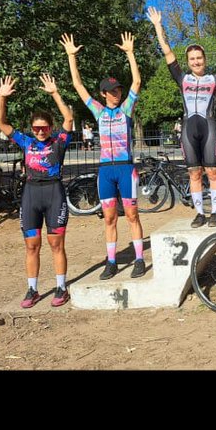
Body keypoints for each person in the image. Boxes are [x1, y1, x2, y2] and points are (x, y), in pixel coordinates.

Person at [148, 7, 216, 227]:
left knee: (213, 171)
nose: (196, 62)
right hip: (189, 129)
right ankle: (199, 213)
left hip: (209, 128)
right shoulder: (182, 79)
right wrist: (158, 26)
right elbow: (168, 52)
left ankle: (215, 212)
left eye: (199, 58)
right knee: (194, 173)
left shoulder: (214, 79)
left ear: (205, 60)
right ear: (188, 62)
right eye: (192, 59)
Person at [60, 32, 146, 280]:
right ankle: (111, 261)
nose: (116, 93)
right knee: (109, 218)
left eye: (118, 89)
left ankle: (139, 258)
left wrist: (130, 53)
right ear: (103, 94)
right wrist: (71, 57)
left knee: (132, 215)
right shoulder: (98, 112)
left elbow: (137, 82)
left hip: (125, 168)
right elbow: (78, 86)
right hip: (106, 170)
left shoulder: (126, 109)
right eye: (112, 90)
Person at [0, 73, 73, 308]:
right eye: (36, 128)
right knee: (32, 245)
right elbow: (0, 123)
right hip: (31, 195)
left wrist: (55, 93)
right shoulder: (27, 142)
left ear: (50, 128)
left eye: (44, 128)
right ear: (31, 129)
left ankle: (61, 287)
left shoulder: (58, 142)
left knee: (56, 244)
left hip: (54, 194)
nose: (40, 132)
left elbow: (68, 118)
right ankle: (32, 289)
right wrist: (1, 97)